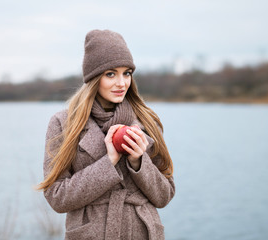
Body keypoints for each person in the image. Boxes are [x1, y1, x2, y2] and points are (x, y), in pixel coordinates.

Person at [36, 29, 175, 240]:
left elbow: (164, 196)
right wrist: (108, 162)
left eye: (126, 73)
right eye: (111, 74)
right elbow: (57, 198)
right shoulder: (64, 124)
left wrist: (139, 162)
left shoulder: (147, 121)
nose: (121, 83)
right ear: (93, 78)